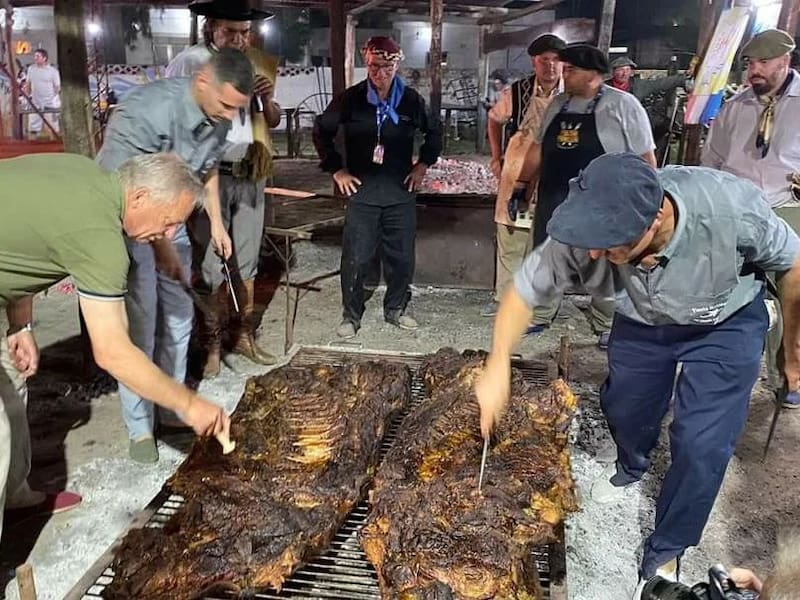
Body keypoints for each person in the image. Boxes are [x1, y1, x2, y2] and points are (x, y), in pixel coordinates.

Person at [475, 153, 800, 598]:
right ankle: (632, 464)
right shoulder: (592, 223)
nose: (591, 254)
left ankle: (667, 550)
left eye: (608, 244)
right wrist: (497, 365)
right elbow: (523, 292)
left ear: (655, 221)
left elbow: (793, 265)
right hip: (642, 319)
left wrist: (792, 349)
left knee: (702, 442)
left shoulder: (731, 208)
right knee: (627, 405)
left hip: (725, 320)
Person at [0, 152, 230, 542]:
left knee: (12, 385)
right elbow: (112, 351)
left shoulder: (88, 174)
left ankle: (14, 496)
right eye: (169, 220)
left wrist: (19, 322)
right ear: (139, 198)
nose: (170, 233)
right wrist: (189, 404)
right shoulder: (102, 240)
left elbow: (23, 237)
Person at [96, 48, 253, 463]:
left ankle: (170, 405)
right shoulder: (145, 112)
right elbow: (122, 194)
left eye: (236, 111)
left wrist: (216, 223)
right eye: (225, 105)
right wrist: (163, 246)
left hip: (174, 224)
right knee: (143, 324)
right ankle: (140, 428)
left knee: (181, 319)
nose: (227, 117)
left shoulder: (219, 115)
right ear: (203, 80)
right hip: (131, 227)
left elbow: (208, 171)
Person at [513, 43, 656, 348]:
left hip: (602, 200)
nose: (564, 75)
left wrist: (647, 200)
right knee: (547, 256)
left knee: (604, 263)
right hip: (555, 196)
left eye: (570, 70)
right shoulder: (557, 104)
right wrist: (521, 185)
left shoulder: (623, 105)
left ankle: (606, 322)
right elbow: (538, 148)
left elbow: (645, 158)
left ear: (594, 74)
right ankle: (542, 314)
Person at [166, 0, 281, 377]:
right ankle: (211, 345)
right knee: (210, 263)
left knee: (246, 260)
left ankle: (243, 336)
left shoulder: (255, 61)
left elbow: (273, 119)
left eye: (244, 32)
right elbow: (173, 115)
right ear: (210, 26)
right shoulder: (191, 62)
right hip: (207, 175)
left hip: (250, 171)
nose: (238, 39)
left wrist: (264, 97)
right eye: (230, 31)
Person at [314, 36, 442, 339]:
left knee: (401, 257)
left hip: (400, 192)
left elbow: (434, 133)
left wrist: (423, 165)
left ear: (397, 65)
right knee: (356, 256)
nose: (378, 74)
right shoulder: (351, 99)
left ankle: (396, 308)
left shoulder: (410, 100)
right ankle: (351, 314)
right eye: (373, 66)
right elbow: (321, 132)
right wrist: (337, 170)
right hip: (363, 193)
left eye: (386, 67)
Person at [702, 29, 800, 407]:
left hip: (788, 207)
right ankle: (723, 368)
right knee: (731, 291)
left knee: (793, 298)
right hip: (740, 213)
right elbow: (712, 161)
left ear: (784, 62)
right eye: (749, 64)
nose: (753, 72)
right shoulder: (736, 107)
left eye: (761, 63)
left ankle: (787, 375)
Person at [482, 34, 565, 319]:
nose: (551, 67)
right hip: (517, 171)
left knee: (550, 241)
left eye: (556, 61)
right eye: (544, 60)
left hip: (556, 177)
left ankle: (543, 308)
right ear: (534, 62)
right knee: (512, 239)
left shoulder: (572, 96)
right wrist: (496, 156)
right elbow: (494, 120)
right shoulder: (517, 92)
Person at [608, 56, 692, 165]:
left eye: (627, 70)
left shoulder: (639, 86)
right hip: (612, 126)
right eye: (620, 70)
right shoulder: (605, 87)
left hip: (634, 126)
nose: (624, 73)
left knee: (662, 127)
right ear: (613, 72)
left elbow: (660, 83)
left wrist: (682, 79)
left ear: (631, 73)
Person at [24, 48, 60, 137]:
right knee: (33, 128)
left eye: (38, 56)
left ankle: (53, 146)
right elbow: (28, 84)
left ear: (44, 58)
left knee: (52, 127)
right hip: (35, 103)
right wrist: (27, 96)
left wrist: (54, 98)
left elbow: (57, 87)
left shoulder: (52, 71)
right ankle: (32, 145)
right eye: (35, 56)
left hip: (49, 103)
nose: (35, 58)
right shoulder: (31, 69)